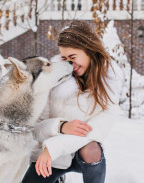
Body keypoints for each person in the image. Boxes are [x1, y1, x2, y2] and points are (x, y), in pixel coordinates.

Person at [22, 20, 124, 183]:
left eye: (73, 57)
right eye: (64, 58)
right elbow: (35, 127)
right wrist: (61, 126)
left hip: (78, 154)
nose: (69, 63)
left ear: (89, 51)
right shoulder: (53, 80)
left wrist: (53, 148)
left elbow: (95, 131)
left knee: (92, 148)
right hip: (52, 158)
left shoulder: (109, 85)